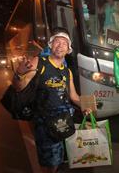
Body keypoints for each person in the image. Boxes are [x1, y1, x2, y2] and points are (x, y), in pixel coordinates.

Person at [12, 30, 93, 172]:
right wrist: (19, 73)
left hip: (63, 121)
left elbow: (74, 96)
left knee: (59, 157)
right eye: (57, 41)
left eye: (64, 43)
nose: (60, 45)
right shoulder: (40, 62)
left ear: (68, 50)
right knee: (51, 161)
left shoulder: (67, 72)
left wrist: (87, 105)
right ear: (51, 45)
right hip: (44, 122)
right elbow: (19, 87)